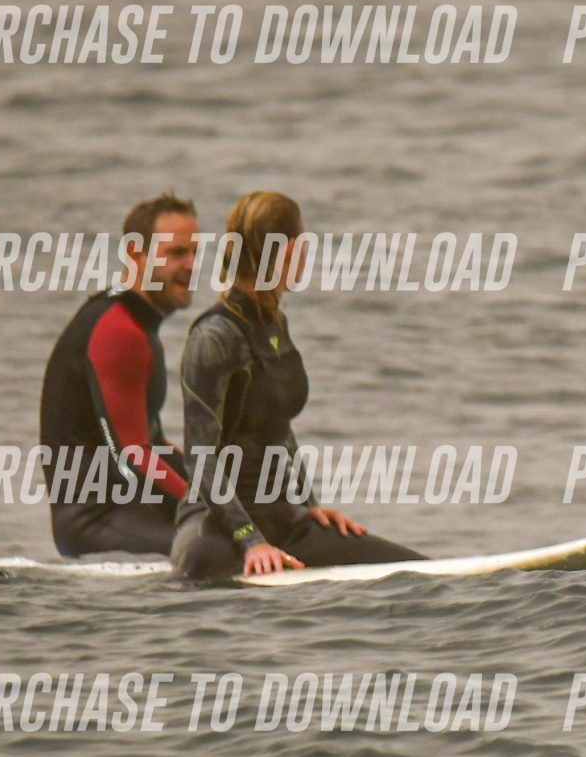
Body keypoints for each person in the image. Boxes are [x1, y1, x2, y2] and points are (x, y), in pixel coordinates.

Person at [170, 191, 424, 581]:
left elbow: (278, 427)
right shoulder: (214, 336)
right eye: (303, 243)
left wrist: (309, 505)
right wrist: (250, 540)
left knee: (415, 572)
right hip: (215, 524)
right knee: (204, 568)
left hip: (280, 517)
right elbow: (199, 455)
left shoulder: (274, 323)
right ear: (288, 251)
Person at [37, 192, 200, 556]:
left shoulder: (134, 324)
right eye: (177, 253)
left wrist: (222, 499)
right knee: (222, 548)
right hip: (95, 523)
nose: (191, 265)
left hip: (129, 508)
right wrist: (208, 510)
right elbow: (134, 455)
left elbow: (153, 444)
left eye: (195, 252)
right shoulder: (119, 330)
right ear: (136, 256)